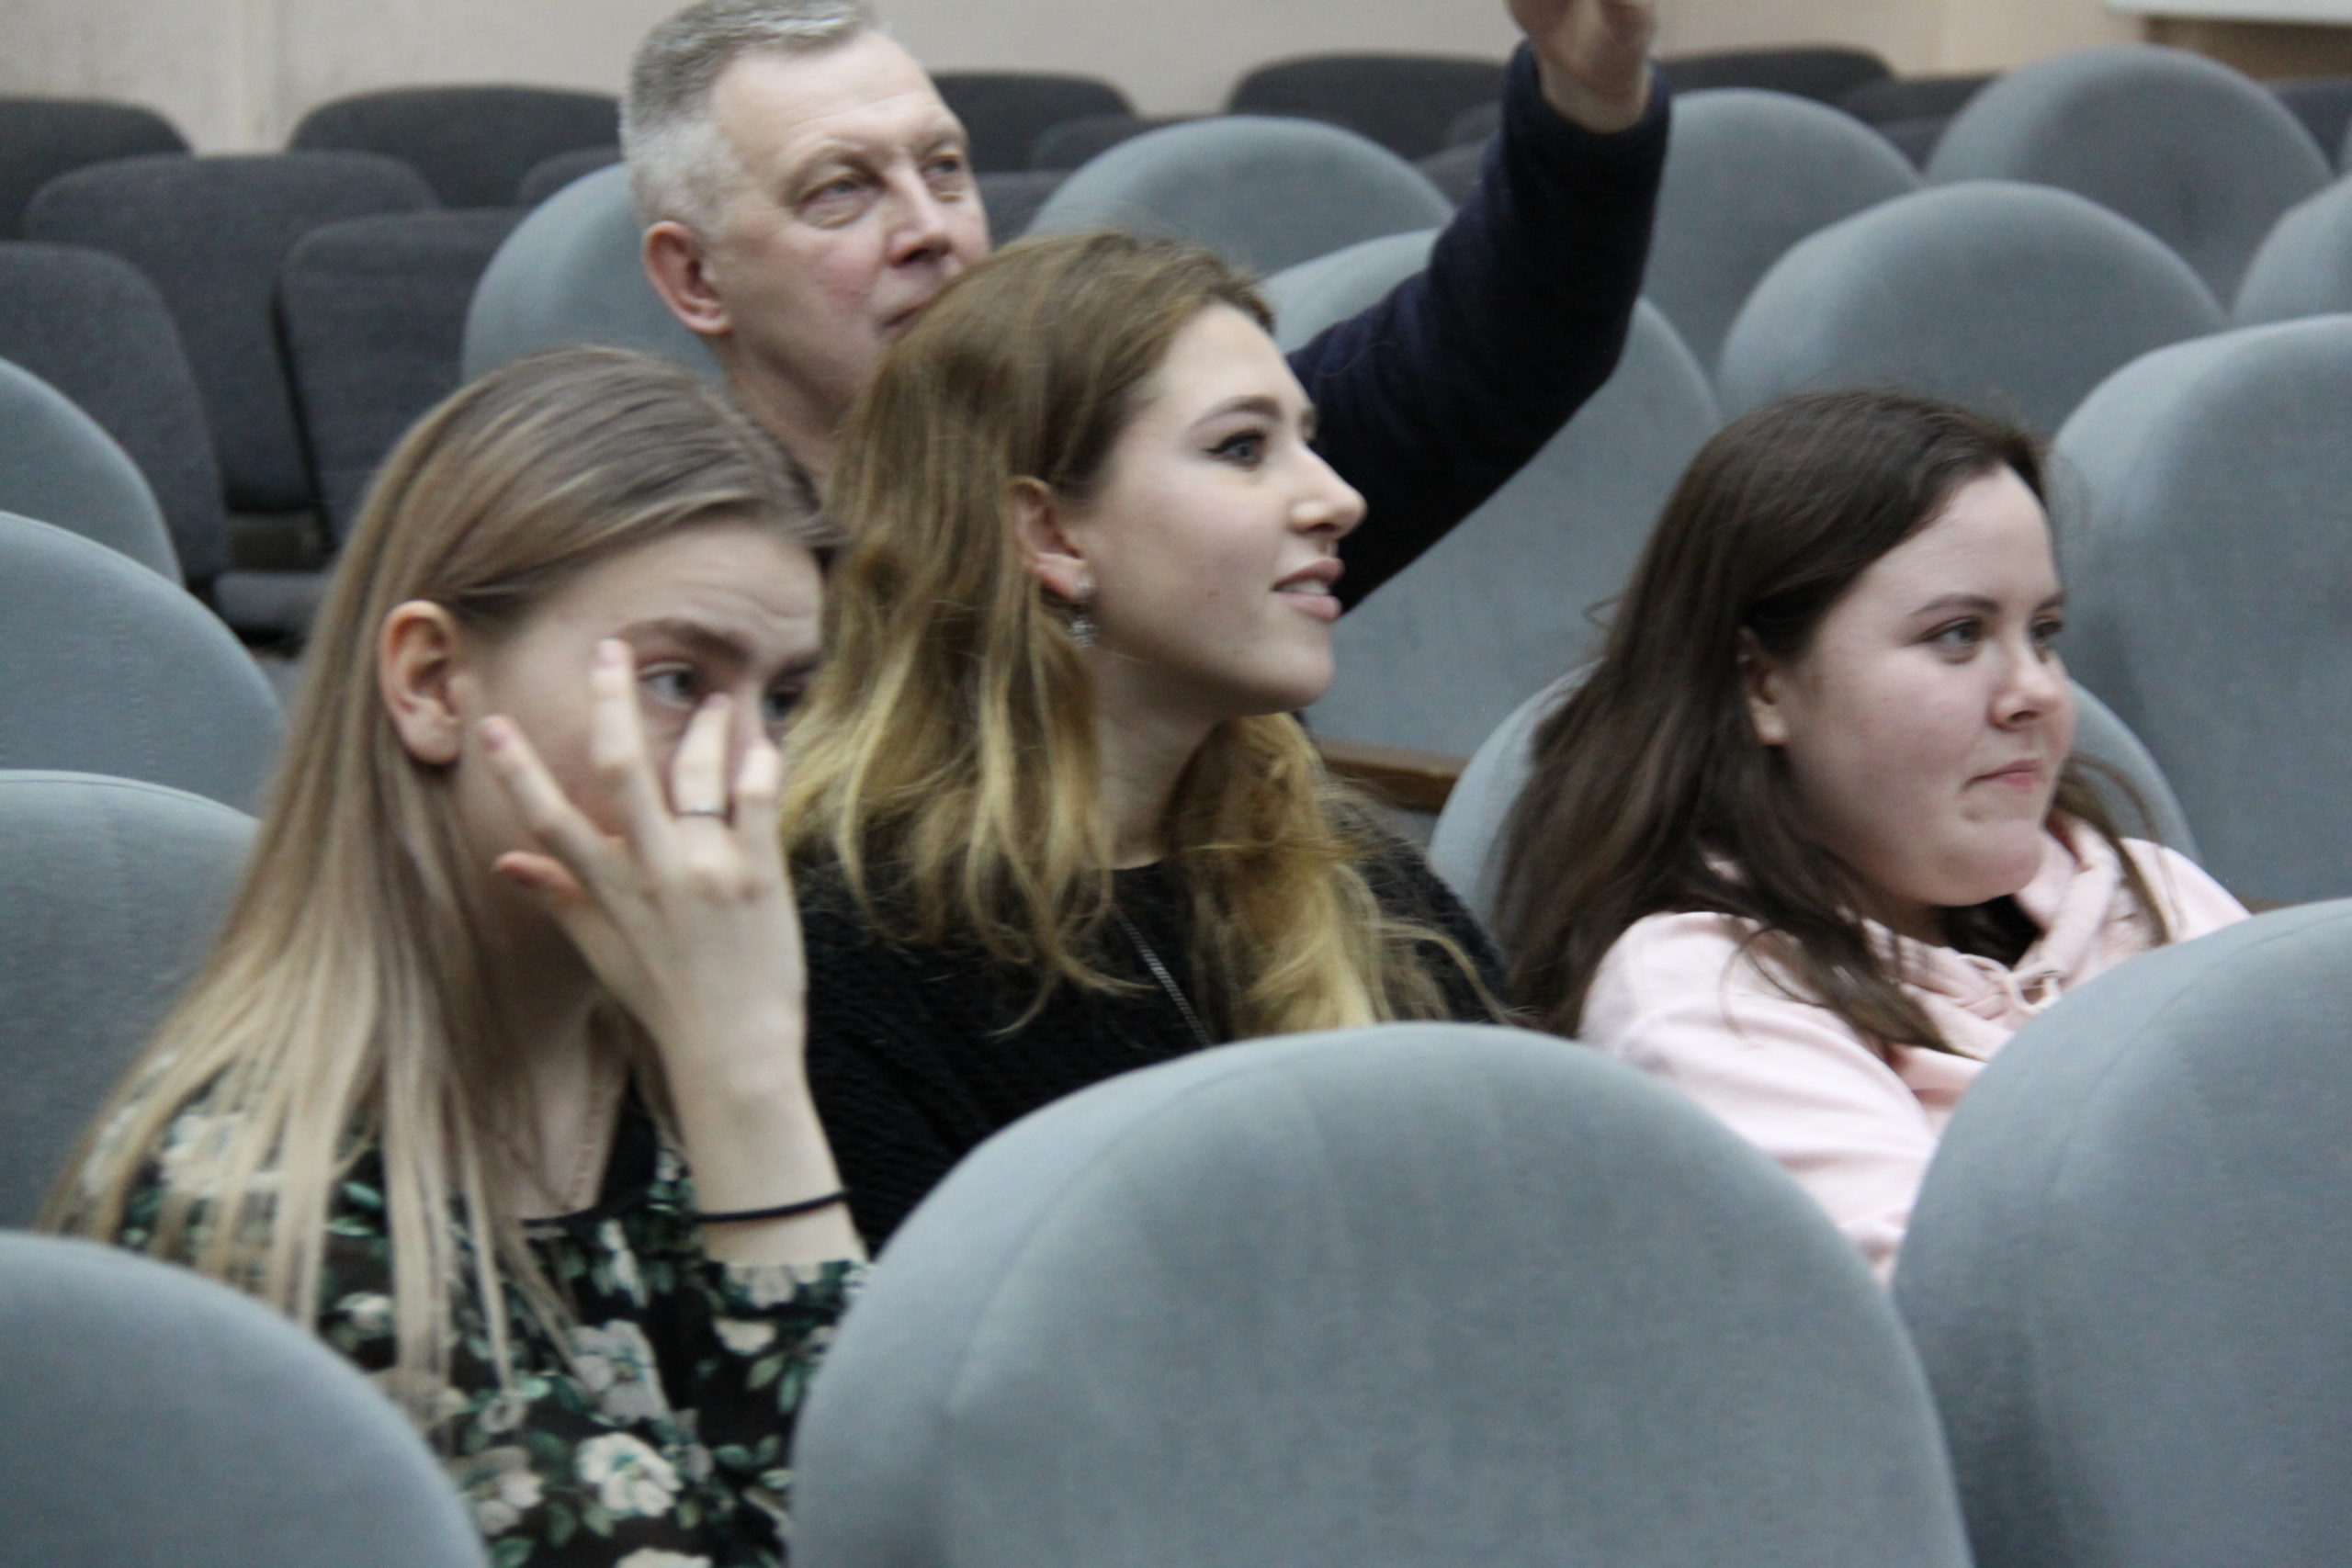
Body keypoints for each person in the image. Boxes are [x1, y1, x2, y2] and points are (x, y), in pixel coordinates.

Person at [49, 348, 860, 1567]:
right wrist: (748, 1080)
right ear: (432, 684)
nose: (754, 771)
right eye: (677, 681)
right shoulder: (260, 1208)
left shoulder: (696, 1043)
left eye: (785, 699)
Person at [778, 231, 1506, 1247]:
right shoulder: (853, 960)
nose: (1339, 499)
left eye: (1307, 439)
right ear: (1051, 536)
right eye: (1242, 448)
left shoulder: (1349, 873)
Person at [1492, 389, 2248, 1280]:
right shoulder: (1704, 996)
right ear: (1761, 685)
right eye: (1958, 635)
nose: (2037, 691)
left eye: (2043, 633)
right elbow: (1981, 1336)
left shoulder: (2149, 893)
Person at [621, 0, 1667, 606]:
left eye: (943, 169)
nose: (930, 229)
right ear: (694, 279)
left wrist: (1590, 97)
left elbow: (1501, 348)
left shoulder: (1142, 459)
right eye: (840, 191)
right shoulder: (674, 590)